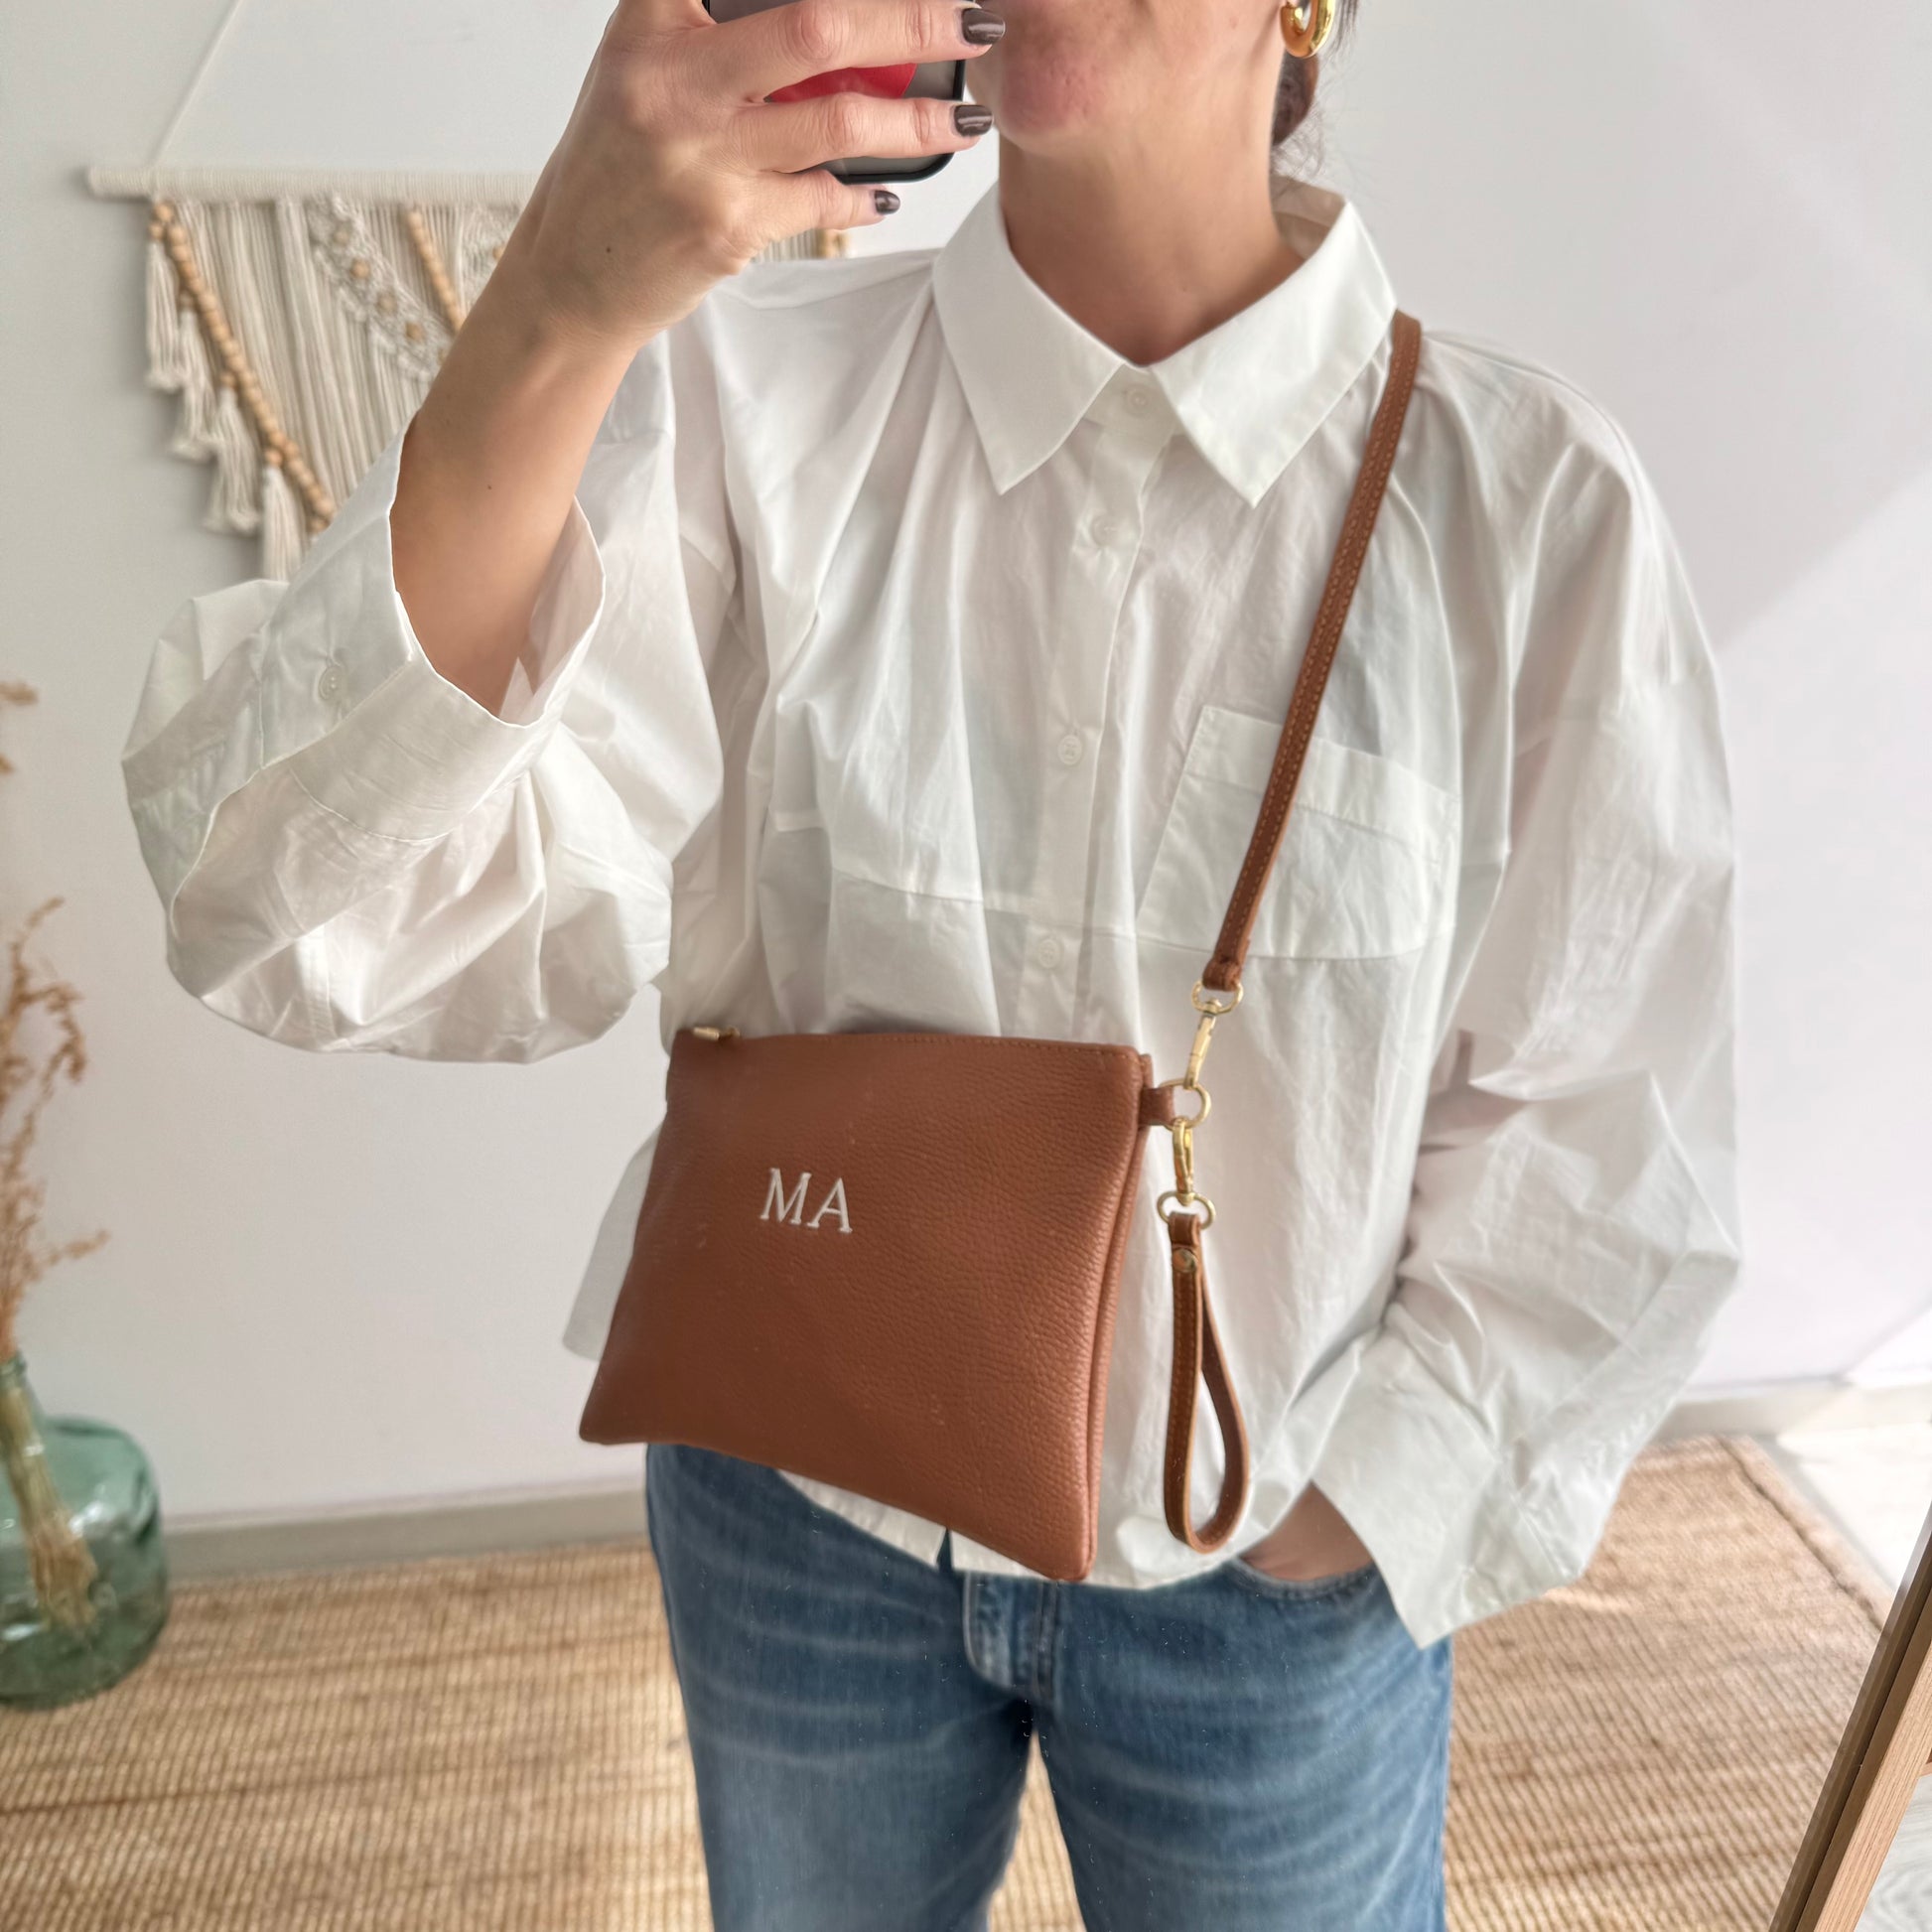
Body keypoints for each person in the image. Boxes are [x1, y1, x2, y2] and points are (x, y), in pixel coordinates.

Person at [121, 0, 1743, 1923]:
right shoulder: (744, 400)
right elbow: (299, 909)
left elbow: (1601, 1121)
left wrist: (1354, 1522)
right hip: (796, 1508)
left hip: (1255, 1568)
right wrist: (557, 297)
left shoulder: (1522, 506)